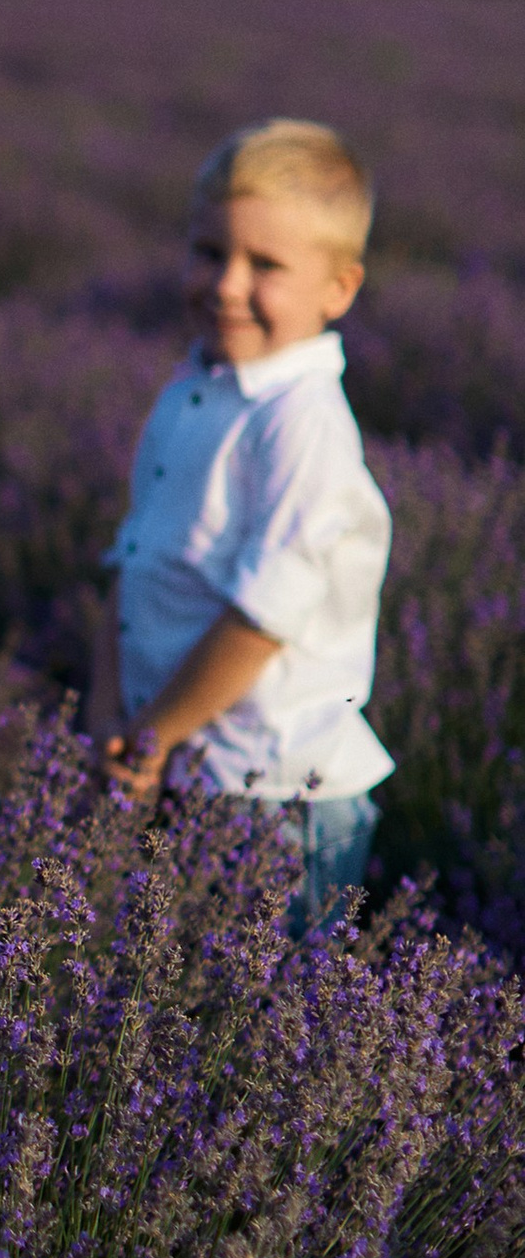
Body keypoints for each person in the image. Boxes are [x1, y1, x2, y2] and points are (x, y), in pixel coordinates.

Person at [90, 118, 393, 925]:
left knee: (260, 1011)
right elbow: (136, 555)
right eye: (208, 251)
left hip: (274, 795)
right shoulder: (195, 389)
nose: (226, 285)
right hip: (177, 761)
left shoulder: (302, 424)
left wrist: (149, 736)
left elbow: (263, 618)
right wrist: (108, 710)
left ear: (339, 288)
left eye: (265, 265)